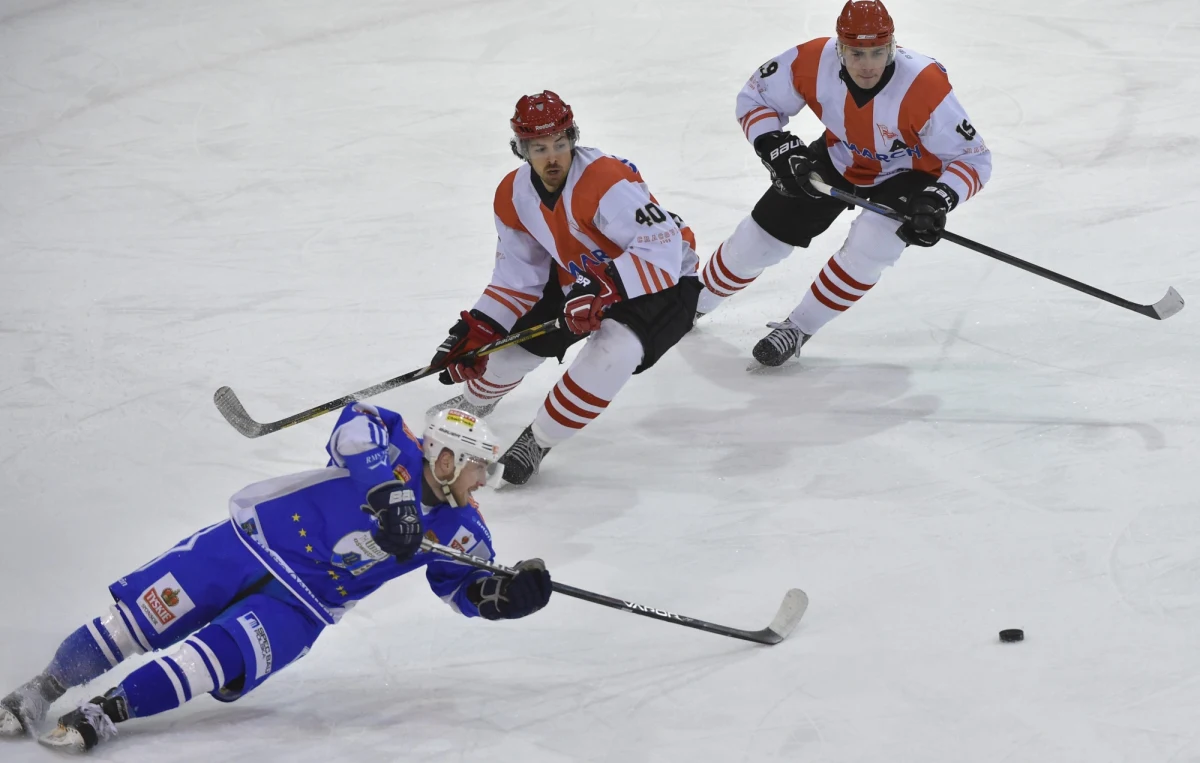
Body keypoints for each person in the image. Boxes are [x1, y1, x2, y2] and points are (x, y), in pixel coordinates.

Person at [0, 404, 552, 753]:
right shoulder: (396, 440)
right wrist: (391, 494)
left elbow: (464, 589)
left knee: (211, 660)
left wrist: (507, 598)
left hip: (305, 605)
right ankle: (39, 690)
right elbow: (352, 426)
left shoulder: (464, 527)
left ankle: (107, 710)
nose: (484, 481)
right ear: (449, 458)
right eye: (480, 466)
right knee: (136, 622)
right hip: (250, 542)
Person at [426, 90, 703, 485]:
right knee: (509, 347)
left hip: (663, 282)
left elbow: (664, 248)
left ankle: (538, 441)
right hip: (581, 275)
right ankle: (475, 402)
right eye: (539, 148)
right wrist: (479, 328)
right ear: (521, 149)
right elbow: (518, 279)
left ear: (572, 138)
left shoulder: (605, 179)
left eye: (560, 143)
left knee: (612, 349)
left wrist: (606, 286)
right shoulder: (512, 195)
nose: (552, 157)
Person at [695, 0, 992, 365]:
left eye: (878, 52)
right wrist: (776, 146)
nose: (868, 65)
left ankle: (799, 327)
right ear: (839, 48)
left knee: (872, 243)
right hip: (841, 157)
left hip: (911, 174)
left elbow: (973, 158)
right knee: (759, 240)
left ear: (892, 46)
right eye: (856, 53)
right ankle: (691, 303)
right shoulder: (812, 61)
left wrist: (937, 199)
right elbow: (756, 98)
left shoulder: (923, 85)